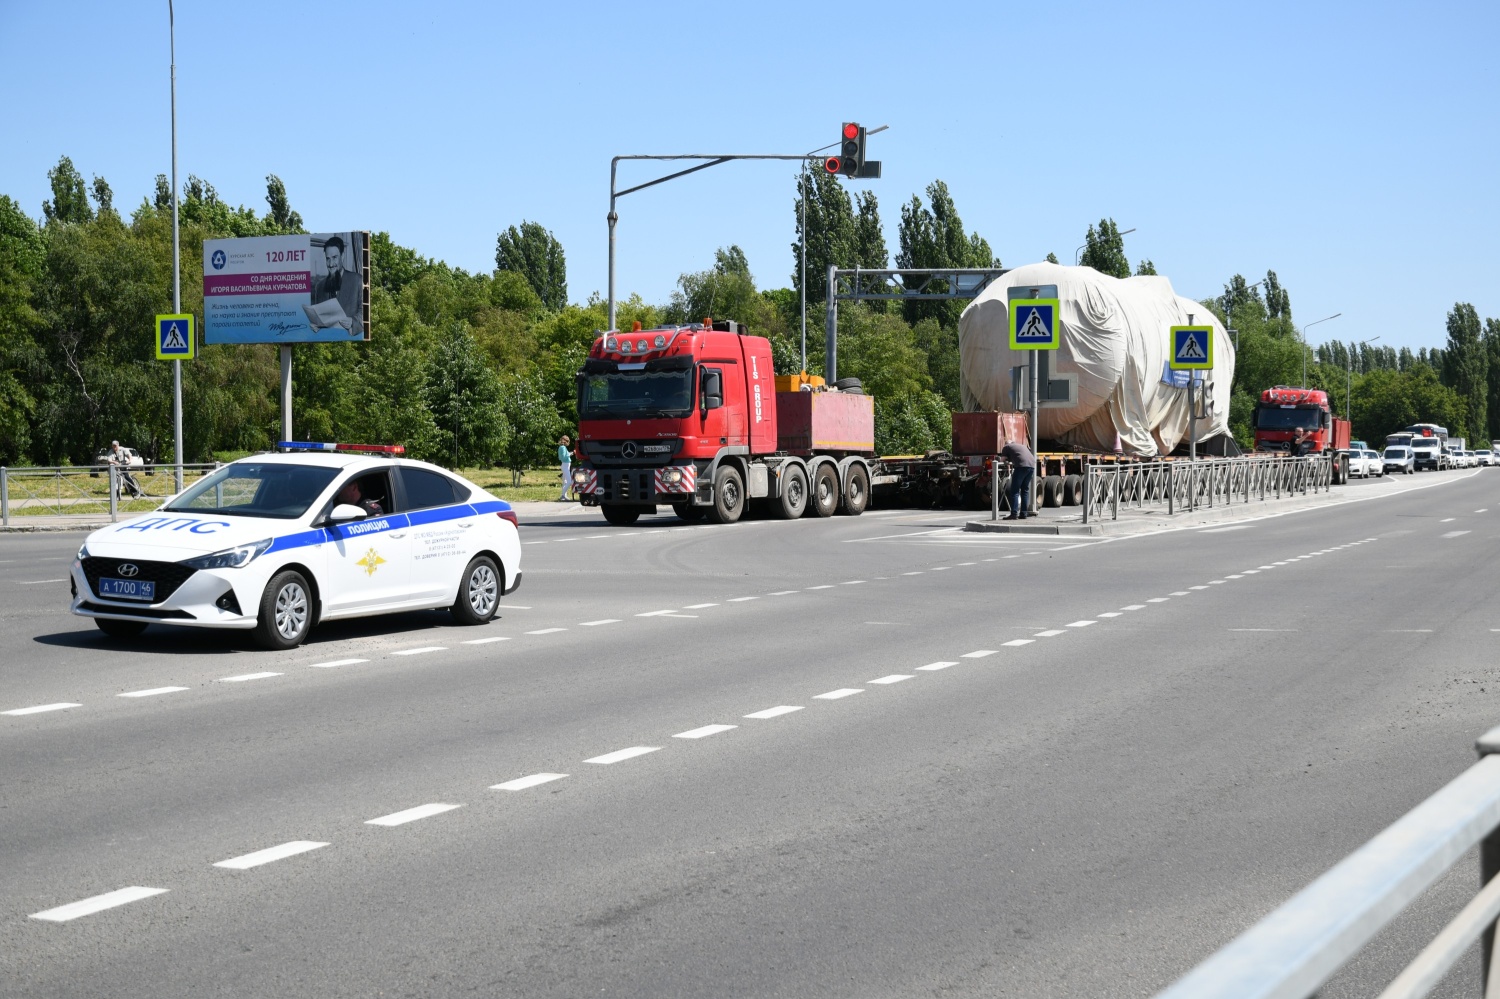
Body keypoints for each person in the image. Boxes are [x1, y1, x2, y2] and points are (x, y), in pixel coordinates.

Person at [309, 234, 363, 334]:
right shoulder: (319, 287)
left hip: (350, 341)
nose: (330, 264)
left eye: (334, 257)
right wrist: (316, 325)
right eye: (328, 259)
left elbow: (364, 310)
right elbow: (319, 318)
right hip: (328, 343)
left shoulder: (357, 280)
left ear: (342, 257)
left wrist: (352, 321)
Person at [1000, 438, 1037, 519]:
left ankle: (1014, 514)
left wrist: (1004, 460)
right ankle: (1023, 514)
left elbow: (1002, 460)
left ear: (1006, 443)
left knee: (1015, 491)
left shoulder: (1007, 447)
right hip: (1032, 466)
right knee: (1025, 490)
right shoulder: (1022, 446)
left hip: (1021, 467)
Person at [558, 435, 573, 501]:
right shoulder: (563, 447)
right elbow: (564, 456)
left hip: (565, 465)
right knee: (569, 481)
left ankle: (564, 496)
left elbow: (563, 456)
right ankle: (563, 495)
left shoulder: (561, 447)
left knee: (565, 481)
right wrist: (571, 454)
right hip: (565, 465)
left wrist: (572, 453)